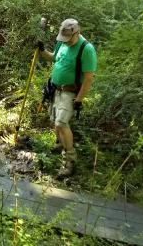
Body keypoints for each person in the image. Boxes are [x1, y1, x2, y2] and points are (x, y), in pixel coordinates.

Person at [38, 18, 97, 177]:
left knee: (61, 123)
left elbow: (89, 78)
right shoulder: (62, 42)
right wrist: (42, 51)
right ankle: (60, 143)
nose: (65, 41)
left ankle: (69, 160)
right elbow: (54, 58)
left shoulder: (86, 49)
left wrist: (79, 99)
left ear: (76, 33)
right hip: (55, 89)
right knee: (55, 121)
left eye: (68, 38)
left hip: (70, 92)